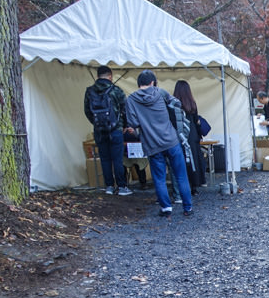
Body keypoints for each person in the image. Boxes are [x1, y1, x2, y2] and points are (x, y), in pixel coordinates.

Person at [125, 70, 193, 217]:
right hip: (171, 140)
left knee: (159, 178)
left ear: (139, 84)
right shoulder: (160, 93)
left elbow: (132, 123)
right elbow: (177, 103)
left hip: (152, 144)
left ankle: (166, 208)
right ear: (152, 82)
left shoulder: (130, 100)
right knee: (181, 175)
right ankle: (187, 208)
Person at [83, 65, 132, 196]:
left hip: (99, 130)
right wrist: (125, 125)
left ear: (98, 76)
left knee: (105, 159)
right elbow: (125, 110)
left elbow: (87, 111)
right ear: (110, 76)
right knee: (117, 158)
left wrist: (96, 123)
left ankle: (109, 186)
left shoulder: (90, 91)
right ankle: (122, 187)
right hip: (115, 129)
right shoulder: (116, 91)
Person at [173, 80, 207, 192]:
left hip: (179, 134)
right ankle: (194, 186)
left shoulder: (173, 104)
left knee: (181, 160)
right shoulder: (192, 103)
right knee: (194, 160)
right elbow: (196, 120)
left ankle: (182, 187)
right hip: (192, 134)